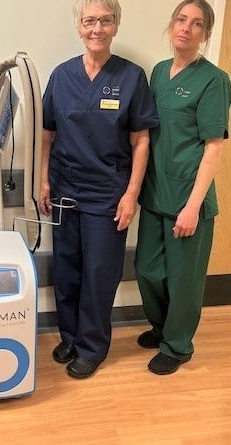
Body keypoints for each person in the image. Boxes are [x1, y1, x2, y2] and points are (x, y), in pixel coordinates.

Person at [39, 0, 158, 379]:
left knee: (99, 273)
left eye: (105, 21)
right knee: (67, 268)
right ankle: (70, 336)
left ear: (115, 27)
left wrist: (131, 193)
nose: (97, 28)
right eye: (90, 21)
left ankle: (92, 346)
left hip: (108, 193)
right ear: (79, 27)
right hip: (64, 188)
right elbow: (48, 132)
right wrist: (43, 179)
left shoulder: (131, 77)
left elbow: (141, 139)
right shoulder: (61, 75)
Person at [135, 0, 231, 375]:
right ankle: (161, 328)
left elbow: (214, 147)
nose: (186, 28)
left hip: (189, 197)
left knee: (183, 279)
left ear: (206, 34)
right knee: (147, 269)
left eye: (197, 24)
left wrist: (192, 206)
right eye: (181, 19)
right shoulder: (159, 73)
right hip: (157, 192)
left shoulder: (214, 80)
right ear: (171, 25)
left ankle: (177, 346)